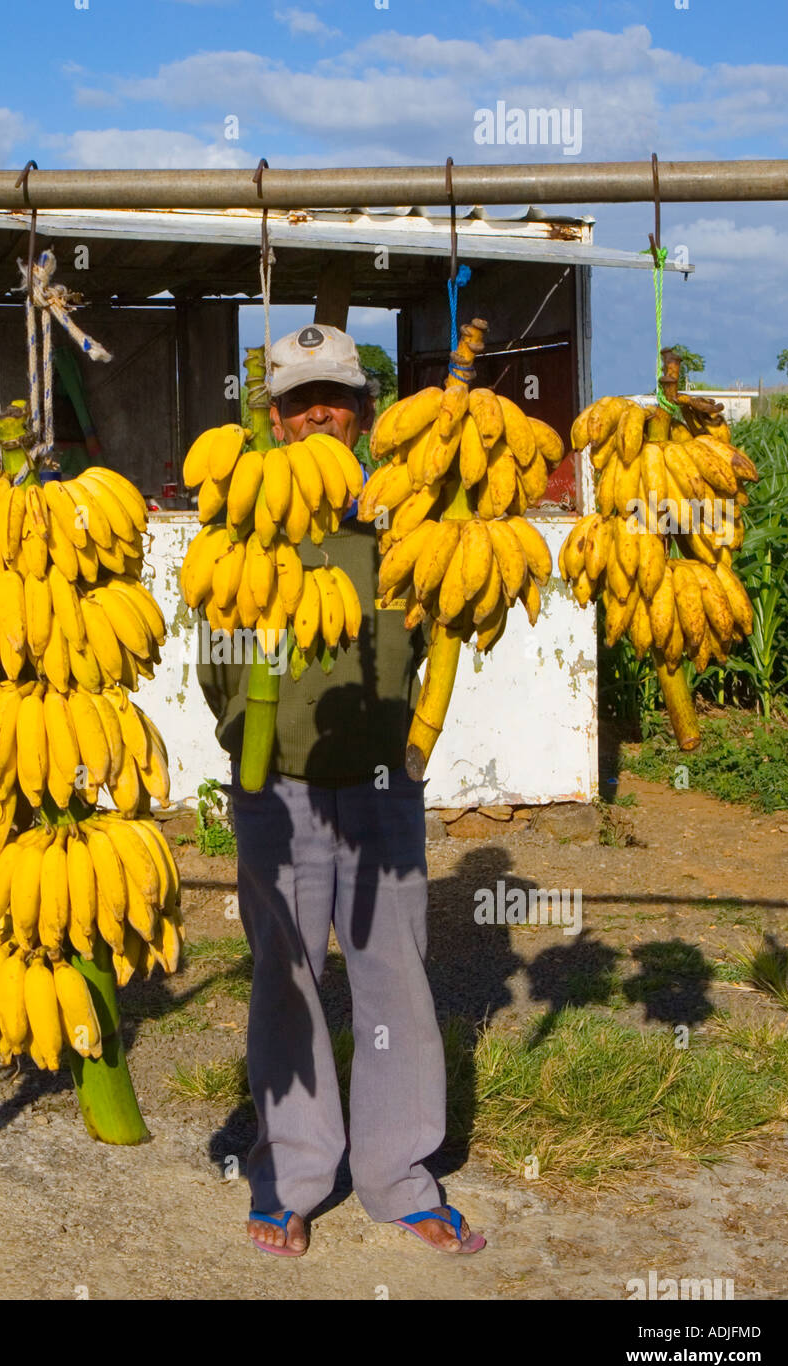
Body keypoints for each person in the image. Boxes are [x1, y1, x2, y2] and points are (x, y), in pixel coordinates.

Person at [196, 324, 486, 1257]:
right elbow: (214, 655)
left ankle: (398, 1174)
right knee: (284, 983)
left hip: (381, 788)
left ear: (364, 413)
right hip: (273, 789)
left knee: (394, 979)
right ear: (272, 417)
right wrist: (250, 733)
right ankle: (290, 1171)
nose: (318, 412)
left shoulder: (403, 514)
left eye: (337, 397)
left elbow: (450, 611)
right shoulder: (244, 518)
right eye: (298, 399)